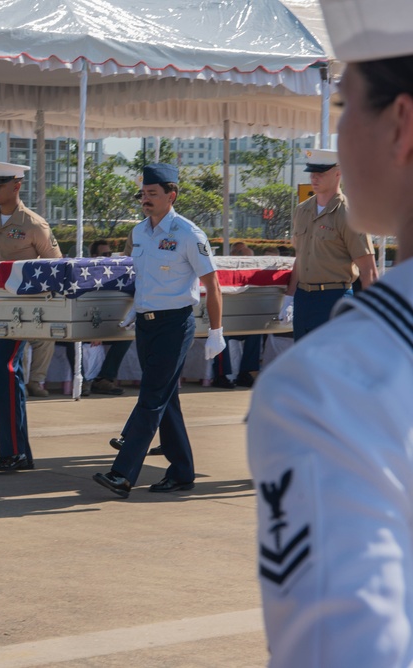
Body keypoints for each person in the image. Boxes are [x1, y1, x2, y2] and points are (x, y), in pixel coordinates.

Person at [247, 3, 413, 664]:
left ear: (402, 123)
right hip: (314, 301)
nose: (335, 150)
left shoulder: (328, 392)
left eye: (346, 105)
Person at [92, 163, 225, 498]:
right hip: (146, 324)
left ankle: (123, 474)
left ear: (171, 195)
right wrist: (132, 311)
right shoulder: (138, 233)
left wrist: (216, 331)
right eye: (143, 194)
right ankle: (182, 472)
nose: (145, 199)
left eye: (153, 193)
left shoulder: (188, 234)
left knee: (151, 397)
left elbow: (212, 283)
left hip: (174, 324)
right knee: (166, 400)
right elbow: (137, 279)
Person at [0, 160, 62, 471]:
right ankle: (18, 452)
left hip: (25, 311)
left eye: (0, 183)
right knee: (5, 376)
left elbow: (57, 269)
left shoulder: (35, 224)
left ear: (17, 186)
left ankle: (14, 453)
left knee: (4, 370)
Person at [283, 148, 378, 341]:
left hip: (334, 298)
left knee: (330, 364)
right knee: (303, 362)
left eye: (321, 173)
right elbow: (300, 258)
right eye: (312, 173)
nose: (314, 178)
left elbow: (368, 270)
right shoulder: (302, 210)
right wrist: (290, 297)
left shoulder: (349, 214)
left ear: (338, 173)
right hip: (303, 298)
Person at [85, 239, 133, 396]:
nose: (108, 257)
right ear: (94, 256)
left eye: (109, 254)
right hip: (86, 326)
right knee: (75, 339)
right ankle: (84, 380)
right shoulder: (84, 275)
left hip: (105, 326)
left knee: (126, 337)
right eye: (104, 254)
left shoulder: (113, 274)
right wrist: (94, 332)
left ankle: (105, 379)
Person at [211, 242, 263, 389]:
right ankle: (221, 375)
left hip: (241, 320)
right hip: (223, 321)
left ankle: (245, 373)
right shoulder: (226, 271)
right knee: (221, 333)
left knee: (255, 333)